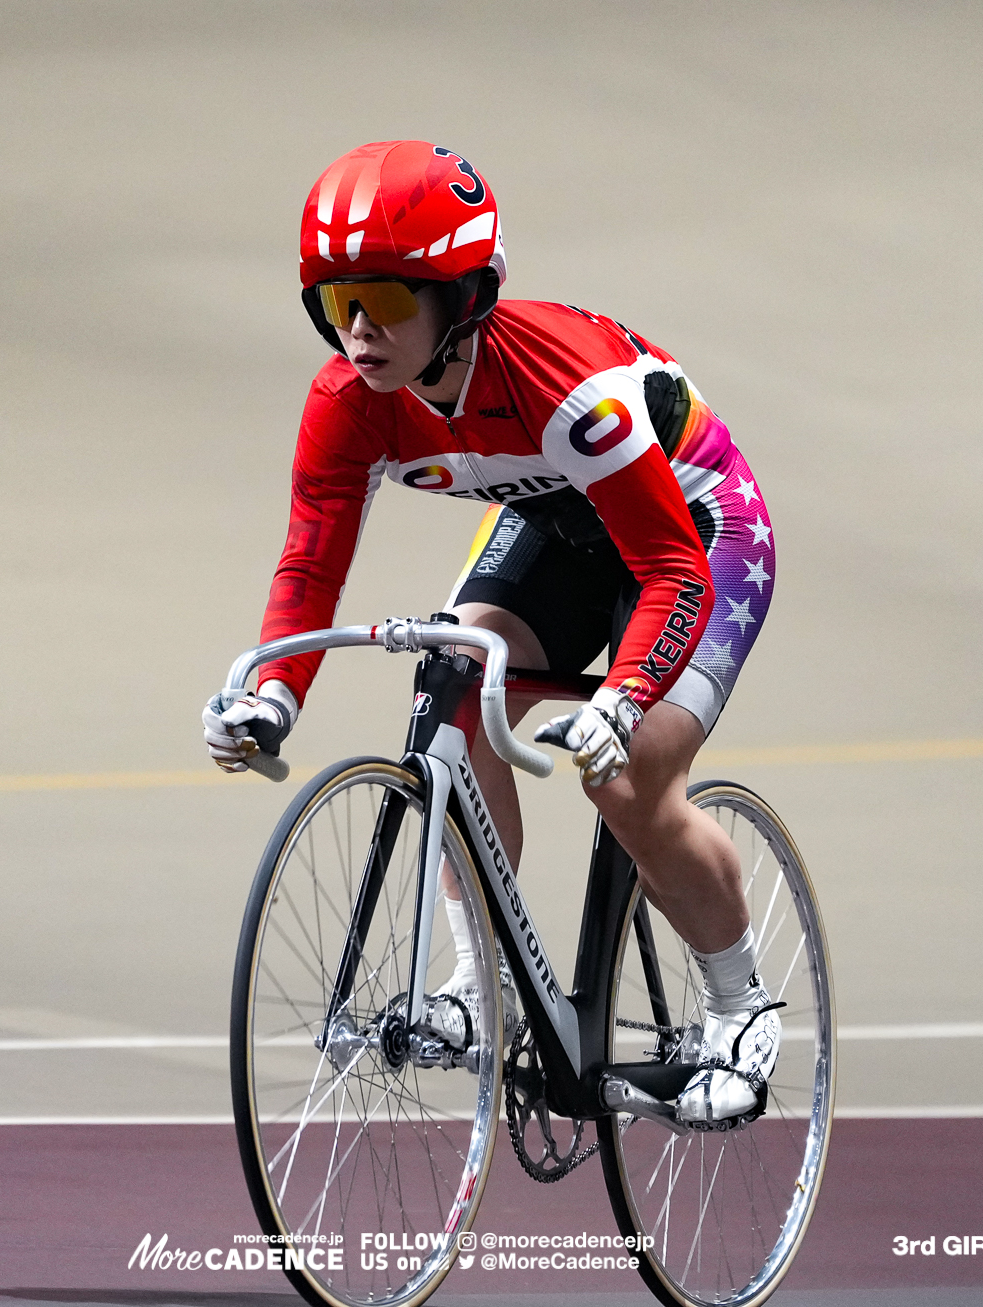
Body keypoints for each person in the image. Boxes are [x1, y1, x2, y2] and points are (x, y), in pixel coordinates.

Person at [203, 141, 779, 1127]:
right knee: (453, 675)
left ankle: (740, 1011)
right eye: (333, 302)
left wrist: (623, 695)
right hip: (557, 518)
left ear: (463, 296)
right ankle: (482, 989)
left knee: (628, 774)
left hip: (693, 528)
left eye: (382, 301)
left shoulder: (563, 387)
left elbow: (672, 568)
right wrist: (271, 696)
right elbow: (307, 566)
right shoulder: (348, 405)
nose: (355, 332)